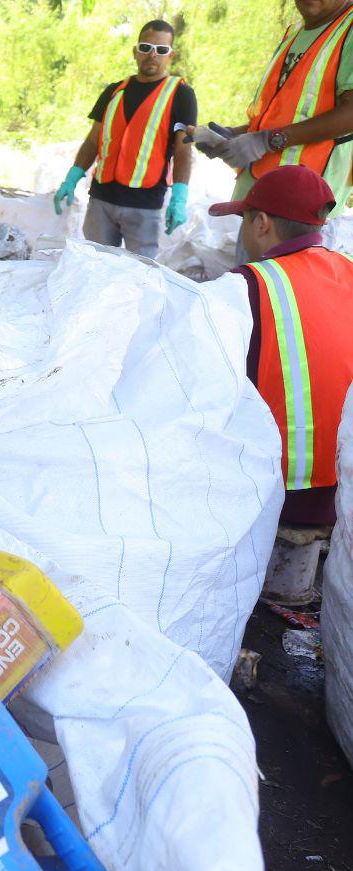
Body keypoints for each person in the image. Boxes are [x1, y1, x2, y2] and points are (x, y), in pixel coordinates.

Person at [209, 165, 353, 527]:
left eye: (243, 218)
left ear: (261, 223)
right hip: (346, 482)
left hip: (285, 492)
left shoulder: (247, 283)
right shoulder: (347, 268)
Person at [198, 0, 353, 223]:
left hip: (300, 208)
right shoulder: (295, 32)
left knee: (279, 260)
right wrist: (238, 134)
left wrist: (267, 141)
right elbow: (283, 112)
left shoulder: (347, 29)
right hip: (258, 196)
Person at [53, 20, 197, 258]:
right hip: (101, 200)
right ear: (135, 51)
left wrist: (179, 197)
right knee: (95, 267)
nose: (152, 55)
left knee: (139, 277)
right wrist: (72, 176)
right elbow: (92, 142)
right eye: (146, 47)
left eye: (161, 50)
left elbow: (183, 151)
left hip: (145, 205)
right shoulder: (113, 91)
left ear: (170, 55)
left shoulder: (181, 94)